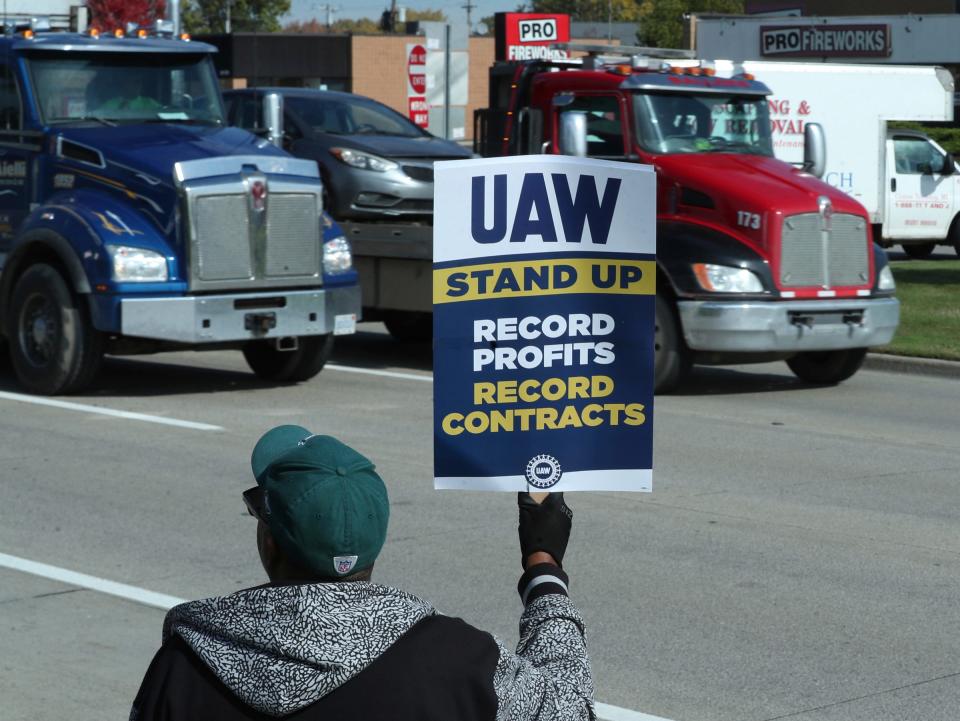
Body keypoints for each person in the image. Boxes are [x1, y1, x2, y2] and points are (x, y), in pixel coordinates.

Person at [129, 425, 593, 720]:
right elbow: (572, 711)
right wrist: (543, 568)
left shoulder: (184, 666)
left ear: (269, 542)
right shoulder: (462, 665)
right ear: (376, 541)